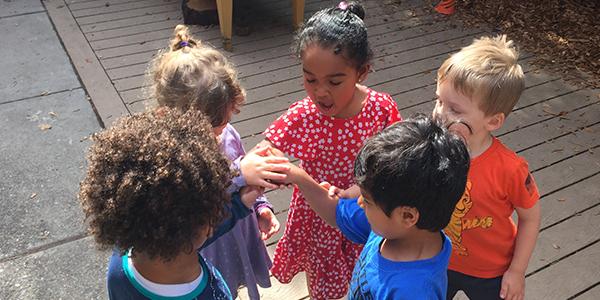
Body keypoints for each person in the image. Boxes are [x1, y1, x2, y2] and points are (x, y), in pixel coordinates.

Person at [256, 1, 402, 298]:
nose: (320, 91)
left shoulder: (381, 108)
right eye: (310, 79)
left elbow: (395, 156)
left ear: (362, 72)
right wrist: (273, 160)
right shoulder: (304, 114)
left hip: (366, 212)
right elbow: (266, 147)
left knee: (366, 278)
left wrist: (363, 188)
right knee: (325, 286)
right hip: (318, 218)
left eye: (334, 81)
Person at [146, 24, 287, 299]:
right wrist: (239, 173)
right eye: (213, 127)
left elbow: (245, 170)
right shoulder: (169, 158)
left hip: (237, 228)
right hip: (208, 243)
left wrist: (259, 206)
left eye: (226, 121)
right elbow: (195, 200)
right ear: (168, 116)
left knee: (231, 284)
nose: (221, 132)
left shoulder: (228, 134)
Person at [79, 108, 264, 299]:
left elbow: (188, 234)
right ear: (207, 227)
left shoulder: (124, 256)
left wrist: (241, 203)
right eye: (216, 210)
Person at [281, 115, 470, 299]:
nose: (359, 203)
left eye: (367, 200)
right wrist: (297, 176)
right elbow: (336, 212)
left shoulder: (413, 291)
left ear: (407, 216)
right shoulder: (398, 229)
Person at [432, 35, 541, 300]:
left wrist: (517, 271)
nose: (441, 114)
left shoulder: (510, 169)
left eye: (455, 109)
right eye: (439, 101)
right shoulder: (430, 148)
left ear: (493, 121)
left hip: (492, 271)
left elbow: (530, 217)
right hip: (436, 259)